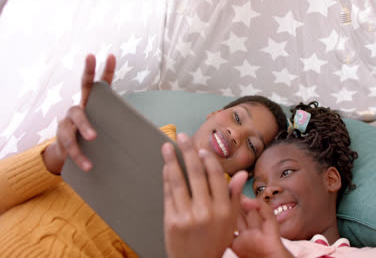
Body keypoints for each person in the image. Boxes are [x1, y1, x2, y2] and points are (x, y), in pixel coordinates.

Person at [0, 54, 287, 257]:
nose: (236, 135)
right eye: (237, 118)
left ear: (248, 171)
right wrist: (53, 158)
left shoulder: (217, 222)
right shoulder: (107, 130)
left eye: (252, 145)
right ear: (215, 114)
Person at [162, 101, 376, 258]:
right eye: (258, 188)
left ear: (331, 179)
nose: (268, 191)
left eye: (286, 172)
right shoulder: (241, 245)